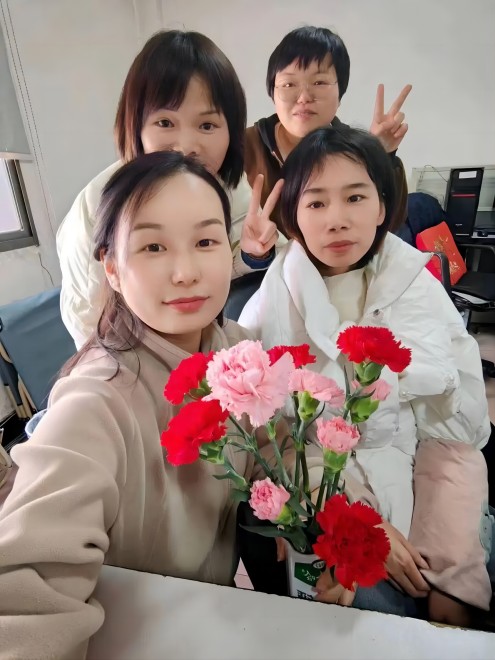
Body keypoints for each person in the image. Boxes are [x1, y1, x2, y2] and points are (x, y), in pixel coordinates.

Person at [0, 152, 282, 659]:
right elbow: (27, 593)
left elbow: (278, 446)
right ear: (111, 268)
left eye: (205, 241)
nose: (186, 272)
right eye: (153, 246)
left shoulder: (237, 350)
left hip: (215, 622)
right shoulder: (95, 400)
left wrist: (327, 519)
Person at [239, 126, 493, 625]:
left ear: (381, 206)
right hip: (323, 465)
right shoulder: (279, 291)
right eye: (316, 203)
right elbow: (271, 426)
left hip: (420, 451)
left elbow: (449, 404)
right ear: (293, 217)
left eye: (355, 197)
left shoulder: (411, 279)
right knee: (351, 600)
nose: (337, 219)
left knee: (451, 592)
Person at [57, 30, 281, 349]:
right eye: (165, 123)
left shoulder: (229, 187)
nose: (187, 147)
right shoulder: (96, 207)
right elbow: (86, 317)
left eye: (207, 125)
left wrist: (252, 254)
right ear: (135, 125)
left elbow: (216, 264)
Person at [245, 26, 411, 233]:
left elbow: (388, 226)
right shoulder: (243, 147)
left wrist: (380, 154)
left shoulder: (353, 150)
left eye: (319, 82)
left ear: (340, 94)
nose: (304, 97)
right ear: (273, 93)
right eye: (289, 84)